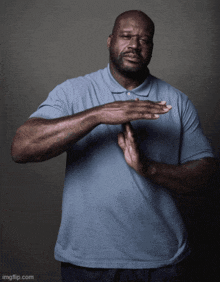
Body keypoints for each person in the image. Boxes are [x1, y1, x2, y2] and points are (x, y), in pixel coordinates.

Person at [11, 10, 217, 282]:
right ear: (110, 41)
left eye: (144, 39)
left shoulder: (176, 102)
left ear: (152, 47)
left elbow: (206, 177)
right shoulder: (73, 92)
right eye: (126, 36)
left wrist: (149, 169)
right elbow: (22, 148)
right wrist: (98, 114)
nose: (134, 45)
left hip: (161, 263)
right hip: (86, 262)